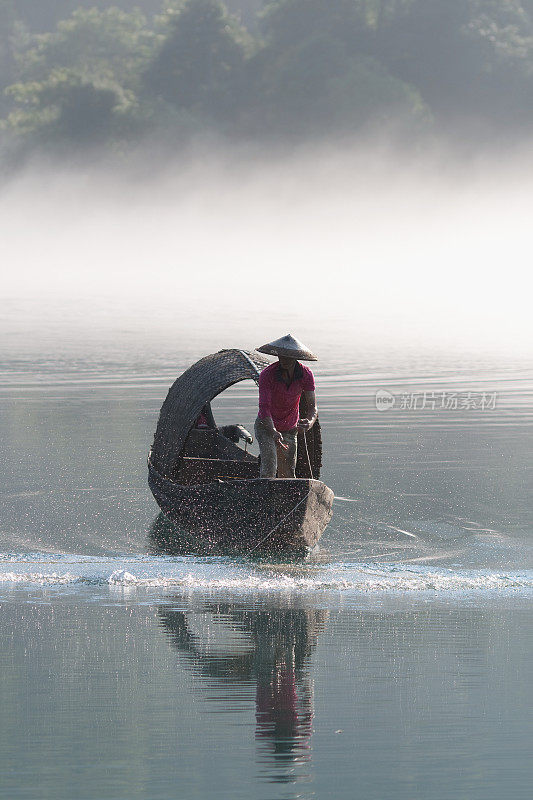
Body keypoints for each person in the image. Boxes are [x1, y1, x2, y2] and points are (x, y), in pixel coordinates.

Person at [254, 334, 318, 478]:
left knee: (288, 473)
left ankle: (285, 500)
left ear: (296, 358)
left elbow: (312, 408)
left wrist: (309, 422)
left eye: (289, 357)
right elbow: (264, 409)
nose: (284, 360)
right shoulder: (267, 375)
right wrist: (273, 431)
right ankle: (265, 498)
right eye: (281, 356)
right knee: (269, 467)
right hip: (266, 427)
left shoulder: (305, 374)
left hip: (290, 429)